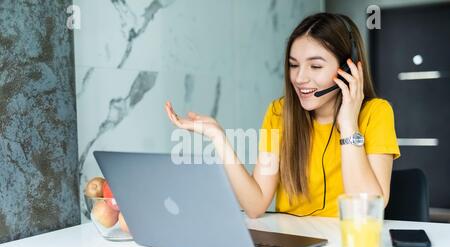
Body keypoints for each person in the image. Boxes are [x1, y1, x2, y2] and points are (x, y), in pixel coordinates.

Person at [164, 13, 400, 219]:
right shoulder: (279, 113)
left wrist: (348, 125)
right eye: (293, 65)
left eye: (315, 66)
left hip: (348, 244)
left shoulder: (376, 113)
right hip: (296, 246)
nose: (299, 78)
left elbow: (367, 209)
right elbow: (255, 206)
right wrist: (218, 138)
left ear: (349, 70)